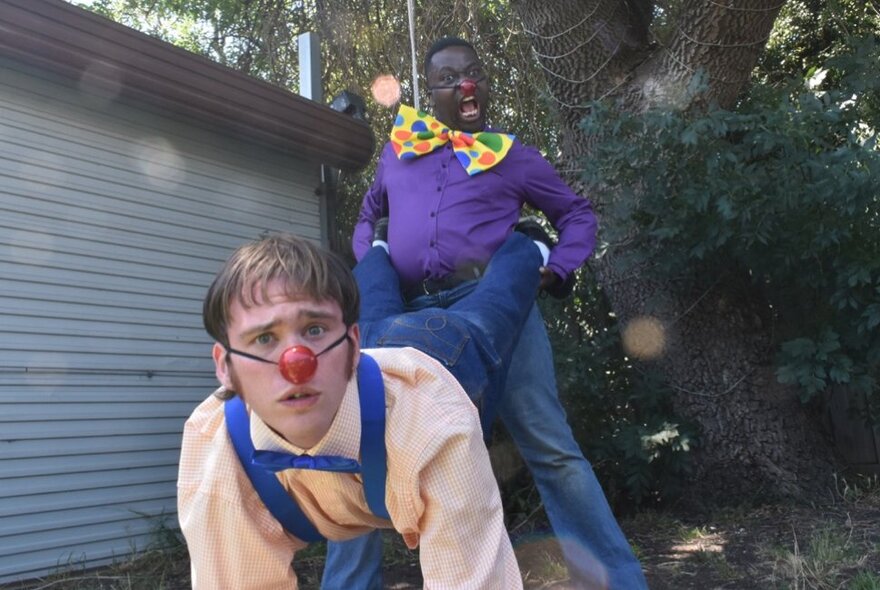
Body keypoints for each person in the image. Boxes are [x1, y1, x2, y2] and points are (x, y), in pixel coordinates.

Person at [339, 36, 648, 590]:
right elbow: (368, 217)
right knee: (364, 436)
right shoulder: (398, 151)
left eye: (473, 72)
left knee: (551, 449)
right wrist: (375, 262)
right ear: (431, 91)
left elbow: (576, 213)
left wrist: (558, 266)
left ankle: (619, 582)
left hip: (501, 311)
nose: (465, 83)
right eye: (449, 77)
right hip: (407, 316)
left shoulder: (511, 157)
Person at [177, 230, 547, 589]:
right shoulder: (216, 445)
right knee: (375, 306)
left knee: (497, 303)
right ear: (224, 367)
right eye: (264, 338)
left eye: (314, 329)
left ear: (353, 348)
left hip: (445, 350)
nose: (296, 364)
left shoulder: (432, 418)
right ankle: (380, 245)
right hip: (360, 365)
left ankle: (529, 244)